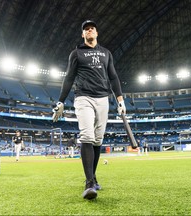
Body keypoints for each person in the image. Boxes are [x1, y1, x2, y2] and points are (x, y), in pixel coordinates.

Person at [52, 20, 125, 200]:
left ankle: (92, 176)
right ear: (83, 35)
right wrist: (61, 101)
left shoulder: (106, 53)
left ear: (97, 33)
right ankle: (89, 183)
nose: (89, 30)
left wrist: (120, 100)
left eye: (92, 28)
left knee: (98, 140)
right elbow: (69, 78)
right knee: (87, 136)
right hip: (83, 97)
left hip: (103, 99)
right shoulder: (76, 53)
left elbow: (114, 77)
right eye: (86, 29)